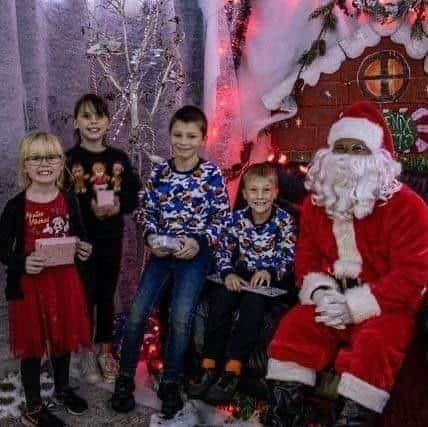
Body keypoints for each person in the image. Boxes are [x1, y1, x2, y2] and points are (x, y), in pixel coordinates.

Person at [263, 101, 428, 427]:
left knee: (375, 345)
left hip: (385, 305)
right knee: (295, 327)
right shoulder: (316, 203)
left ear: (379, 156)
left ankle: (350, 420)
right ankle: (284, 416)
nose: (348, 157)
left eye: (358, 148)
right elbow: (307, 259)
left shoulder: (408, 206)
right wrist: (321, 293)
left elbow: (413, 274)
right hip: (332, 297)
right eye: (341, 148)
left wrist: (356, 305)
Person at [111, 105, 230, 419]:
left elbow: (221, 217)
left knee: (180, 316)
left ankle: (171, 382)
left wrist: (200, 241)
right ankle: (124, 379)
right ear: (170, 136)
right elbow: (146, 212)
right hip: (161, 253)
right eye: (178, 134)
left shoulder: (211, 174)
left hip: (194, 255)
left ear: (203, 139)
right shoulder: (161, 172)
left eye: (191, 136)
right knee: (137, 312)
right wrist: (151, 238)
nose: (184, 141)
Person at [0, 132, 93, 427]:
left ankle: (63, 389)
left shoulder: (69, 199)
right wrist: (23, 261)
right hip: (30, 287)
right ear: (24, 166)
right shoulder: (15, 207)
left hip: (64, 284)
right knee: (33, 346)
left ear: (61, 162)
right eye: (35, 158)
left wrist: (83, 248)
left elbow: (79, 235)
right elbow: (2, 249)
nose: (44, 163)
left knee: (62, 340)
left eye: (51, 157)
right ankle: (34, 406)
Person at [188, 162, 297, 405]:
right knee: (223, 298)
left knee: (253, 301)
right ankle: (208, 364)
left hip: (271, 281)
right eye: (254, 191)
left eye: (266, 190)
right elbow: (223, 251)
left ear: (276, 192)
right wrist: (227, 272)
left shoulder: (284, 220)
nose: (260, 197)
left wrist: (269, 270)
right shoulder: (236, 219)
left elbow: (288, 255)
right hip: (241, 273)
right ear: (245, 194)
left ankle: (233, 370)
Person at [66, 93, 141, 384]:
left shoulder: (118, 158)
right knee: (83, 297)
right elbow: (61, 203)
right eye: (86, 116)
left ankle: (105, 351)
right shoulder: (69, 160)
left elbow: (134, 195)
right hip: (81, 245)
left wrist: (119, 205)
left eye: (98, 116)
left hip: (112, 240)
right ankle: (84, 351)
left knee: (106, 297)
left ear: (108, 122)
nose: (93, 122)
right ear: (76, 122)